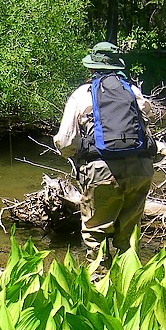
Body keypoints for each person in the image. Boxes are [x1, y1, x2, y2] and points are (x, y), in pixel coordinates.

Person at [53, 41, 154, 266]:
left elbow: (65, 142)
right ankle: (130, 284)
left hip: (102, 170)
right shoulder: (133, 92)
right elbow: (146, 119)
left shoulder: (81, 95)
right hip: (141, 168)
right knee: (128, 236)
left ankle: (99, 285)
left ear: (91, 68)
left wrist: (73, 153)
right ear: (117, 67)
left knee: (96, 234)